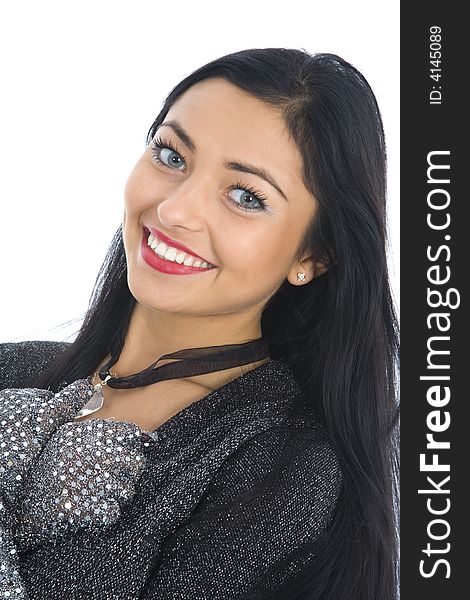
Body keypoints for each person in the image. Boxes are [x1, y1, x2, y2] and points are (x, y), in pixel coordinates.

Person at [0, 47, 399, 599]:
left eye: (244, 196)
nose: (174, 210)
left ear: (315, 254)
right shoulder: (11, 366)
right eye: (170, 155)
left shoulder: (282, 473)